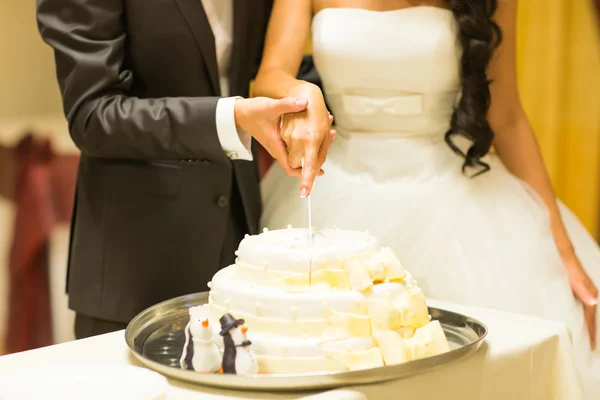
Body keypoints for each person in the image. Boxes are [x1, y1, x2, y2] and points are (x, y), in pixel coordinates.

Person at [254, 0, 600, 395]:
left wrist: (563, 252)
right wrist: (303, 93)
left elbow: (505, 116)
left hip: (458, 203)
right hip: (334, 186)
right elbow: (270, 74)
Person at [35, 0, 332, 339]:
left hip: (239, 245)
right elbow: (93, 116)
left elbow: (261, 62)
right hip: (137, 263)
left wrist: (314, 97)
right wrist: (228, 118)